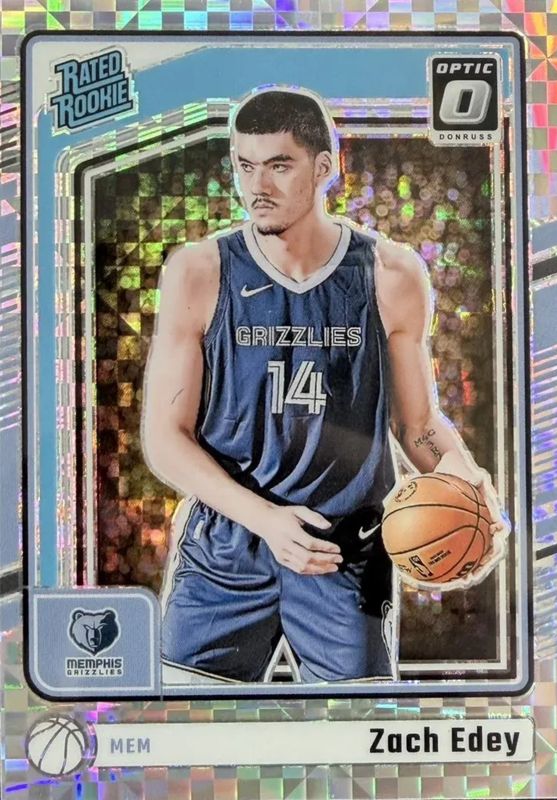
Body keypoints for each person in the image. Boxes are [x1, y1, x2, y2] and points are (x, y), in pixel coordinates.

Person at [142, 86, 508, 685]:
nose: (257, 186)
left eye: (279, 166)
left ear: (323, 167)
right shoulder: (199, 272)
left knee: (355, 732)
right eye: (244, 166)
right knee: (184, 726)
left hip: (346, 550)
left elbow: (416, 425)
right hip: (227, 548)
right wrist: (266, 520)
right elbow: (164, 438)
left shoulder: (390, 274)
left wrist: (468, 484)